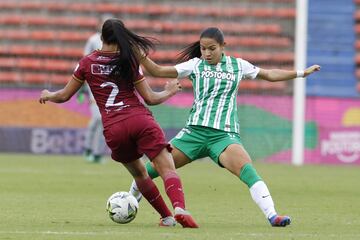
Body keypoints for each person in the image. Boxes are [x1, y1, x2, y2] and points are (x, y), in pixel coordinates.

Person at [129, 27, 321, 227]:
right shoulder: (195, 65)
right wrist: (137, 53)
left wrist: (301, 73)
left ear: (223, 46)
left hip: (223, 136)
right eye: (203, 49)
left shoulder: (238, 66)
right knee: (150, 170)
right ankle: (128, 201)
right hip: (193, 133)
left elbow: (270, 74)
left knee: (248, 171)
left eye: (212, 48)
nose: (207, 53)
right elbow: (157, 70)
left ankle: (273, 215)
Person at [39, 18, 199, 228]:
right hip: (140, 121)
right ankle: (179, 208)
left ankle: (167, 218)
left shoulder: (87, 63)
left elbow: (64, 96)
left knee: (140, 174)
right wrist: (169, 91)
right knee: (167, 168)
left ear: (102, 37)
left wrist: (49, 94)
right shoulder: (128, 60)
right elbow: (150, 98)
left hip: (114, 129)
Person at [78, 14, 113, 163]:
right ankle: (89, 149)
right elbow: (85, 62)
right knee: (98, 119)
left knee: (103, 121)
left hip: (110, 87)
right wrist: (81, 87)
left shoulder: (115, 42)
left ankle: (96, 152)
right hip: (94, 85)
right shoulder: (93, 40)